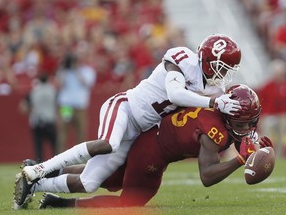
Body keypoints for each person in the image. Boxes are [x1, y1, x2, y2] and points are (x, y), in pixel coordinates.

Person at [14, 34, 242, 208]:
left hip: (138, 129)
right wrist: (213, 102)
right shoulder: (182, 57)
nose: (223, 74)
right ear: (207, 59)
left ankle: (34, 184)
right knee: (108, 142)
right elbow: (174, 94)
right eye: (222, 67)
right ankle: (40, 168)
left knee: (89, 182)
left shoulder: (211, 87)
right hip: (125, 107)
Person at [14, 84, 273, 209]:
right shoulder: (212, 131)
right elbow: (206, 176)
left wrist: (252, 145)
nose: (246, 127)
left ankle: (42, 174)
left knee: (108, 177)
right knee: (131, 200)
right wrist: (241, 160)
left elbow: (235, 134)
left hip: (150, 137)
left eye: (250, 122)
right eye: (242, 122)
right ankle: (55, 200)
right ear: (227, 115)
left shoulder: (218, 113)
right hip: (152, 151)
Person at [55, 51, 97, 152]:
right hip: (66, 106)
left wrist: (77, 70)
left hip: (80, 107)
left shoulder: (88, 71)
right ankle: (59, 159)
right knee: (62, 132)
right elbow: (59, 84)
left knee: (81, 133)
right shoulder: (64, 71)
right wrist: (63, 68)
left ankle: (79, 159)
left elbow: (86, 83)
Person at [18, 73, 58, 161]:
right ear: (48, 80)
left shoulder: (34, 91)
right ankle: (56, 166)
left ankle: (39, 167)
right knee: (55, 147)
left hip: (37, 122)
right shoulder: (53, 91)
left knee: (38, 148)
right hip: (50, 121)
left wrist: (32, 112)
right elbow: (60, 105)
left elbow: (23, 107)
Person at [257, 59, 286, 159]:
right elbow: (262, 103)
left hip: (282, 115)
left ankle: (278, 156)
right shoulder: (267, 86)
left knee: (281, 134)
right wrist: (262, 116)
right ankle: (267, 154)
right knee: (266, 134)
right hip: (269, 115)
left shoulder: (284, 85)